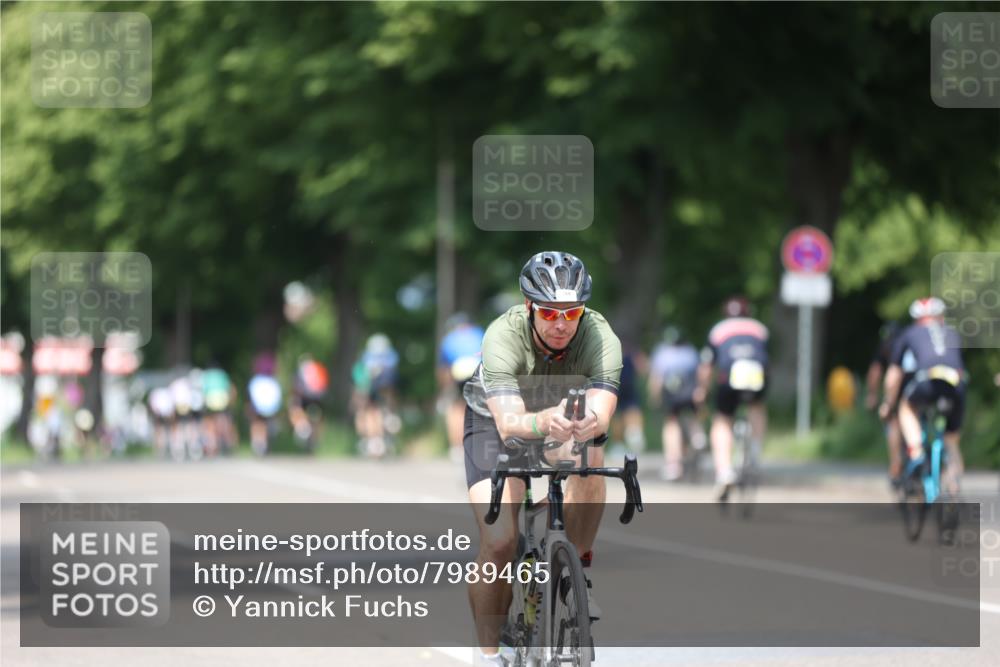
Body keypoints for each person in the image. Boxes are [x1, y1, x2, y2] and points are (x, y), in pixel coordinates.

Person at [462, 251, 622, 666]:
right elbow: (510, 423)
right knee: (500, 542)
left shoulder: (600, 336)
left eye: (572, 314)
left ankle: (575, 569)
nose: (560, 324)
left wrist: (589, 424)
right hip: (495, 421)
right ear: (530, 306)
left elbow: (602, 411)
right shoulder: (503, 336)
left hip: (558, 414)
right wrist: (544, 423)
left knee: (594, 448)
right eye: (550, 313)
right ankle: (488, 654)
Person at [880, 297, 967, 493]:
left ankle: (917, 451)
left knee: (906, 408)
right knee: (951, 440)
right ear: (941, 316)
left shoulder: (910, 333)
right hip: (956, 384)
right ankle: (953, 488)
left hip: (926, 381)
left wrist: (887, 403)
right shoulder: (953, 332)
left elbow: (893, 375)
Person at [694, 296, 769, 501]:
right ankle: (754, 449)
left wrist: (702, 390)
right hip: (756, 374)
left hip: (729, 376)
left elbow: (707, 366)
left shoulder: (718, 330)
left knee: (722, 420)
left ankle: (725, 472)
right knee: (757, 406)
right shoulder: (759, 329)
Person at [648, 326, 704, 481]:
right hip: (689, 391)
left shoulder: (662, 352)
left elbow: (657, 377)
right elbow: (700, 372)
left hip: (671, 392)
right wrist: (700, 390)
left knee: (671, 424)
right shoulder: (691, 351)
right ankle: (698, 437)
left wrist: (654, 397)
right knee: (693, 417)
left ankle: (674, 464)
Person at [438, 313, 485, 463]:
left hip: (459, 370)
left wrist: (445, 389)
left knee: (456, 409)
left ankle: (457, 447)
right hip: (479, 368)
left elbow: (444, 370)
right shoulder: (480, 332)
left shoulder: (449, 338)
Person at [865, 322, 906, 483]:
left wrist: (872, 395)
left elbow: (875, 372)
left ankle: (896, 464)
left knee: (893, 422)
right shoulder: (909, 342)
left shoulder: (885, 347)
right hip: (920, 386)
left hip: (897, 390)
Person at [351, 333, 401, 457]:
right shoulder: (390, 356)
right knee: (380, 409)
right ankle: (387, 423)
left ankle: (374, 439)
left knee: (370, 411)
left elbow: (361, 378)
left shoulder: (366, 356)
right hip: (385, 389)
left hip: (371, 388)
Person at [289, 354, 329, 450]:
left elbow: (296, 390)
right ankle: (315, 438)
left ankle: (303, 427)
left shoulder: (300, 372)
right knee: (318, 419)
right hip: (319, 399)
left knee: (294, 408)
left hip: (305, 398)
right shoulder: (319, 369)